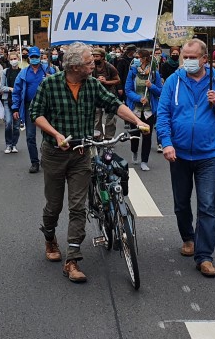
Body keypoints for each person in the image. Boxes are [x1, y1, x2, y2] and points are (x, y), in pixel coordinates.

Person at [30, 42, 149, 284]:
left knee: (78, 207)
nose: (93, 64)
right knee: (53, 206)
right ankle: (50, 237)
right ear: (74, 65)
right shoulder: (50, 84)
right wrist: (56, 134)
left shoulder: (93, 85)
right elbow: (36, 114)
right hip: (54, 153)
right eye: (88, 62)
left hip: (81, 154)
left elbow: (115, 105)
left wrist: (137, 122)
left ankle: (72, 259)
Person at [157, 39, 215, 278]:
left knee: (207, 205)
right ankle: (188, 238)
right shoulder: (174, 80)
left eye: (193, 57)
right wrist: (167, 143)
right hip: (179, 154)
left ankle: (204, 257)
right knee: (181, 203)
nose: (188, 61)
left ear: (205, 59)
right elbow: (163, 114)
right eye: (185, 57)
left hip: (208, 155)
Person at [12, 47, 56, 172]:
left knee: (48, 134)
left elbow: (59, 84)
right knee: (30, 136)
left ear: (40, 57)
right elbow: (17, 91)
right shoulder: (23, 73)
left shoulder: (49, 70)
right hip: (29, 107)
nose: (35, 59)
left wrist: (50, 78)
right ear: (29, 58)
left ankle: (46, 159)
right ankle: (34, 162)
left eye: (37, 57)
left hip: (46, 106)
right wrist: (15, 108)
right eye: (32, 57)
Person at [125, 48, 162, 170]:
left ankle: (144, 161)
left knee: (147, 136)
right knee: (135, 135)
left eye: (138, 57)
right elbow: (128, 90)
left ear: (144, 58)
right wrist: (138, 98)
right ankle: (134, 151)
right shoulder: (133, 72)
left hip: (149, 111)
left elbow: (160, 91)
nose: (136, 59)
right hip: (135, 110)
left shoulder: (154, 73)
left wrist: (151, 86)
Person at [90, 47, 121, 140]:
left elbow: (117, 80)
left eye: (97, 56)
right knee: (96, 118)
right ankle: (98, 137)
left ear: (103, 57)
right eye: (94, 56)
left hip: (109, 95)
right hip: (96, 96)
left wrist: (106, 82)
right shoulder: (91, 67)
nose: (95, 58)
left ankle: (108, 138)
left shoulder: (110, 67)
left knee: (110, 119)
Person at [0, 51, 22, 154]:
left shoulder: (22, 72)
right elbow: (2, 87)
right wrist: (11, 89)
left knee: (16, 125)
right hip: (7, 100)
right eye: (12, 59)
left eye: (15, 58)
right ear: (9, 60)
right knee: (8, 123)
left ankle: (14, 144)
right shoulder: (5, 72)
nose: (14, 61)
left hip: (18, 102)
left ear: (18, 59)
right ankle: (8, 144)